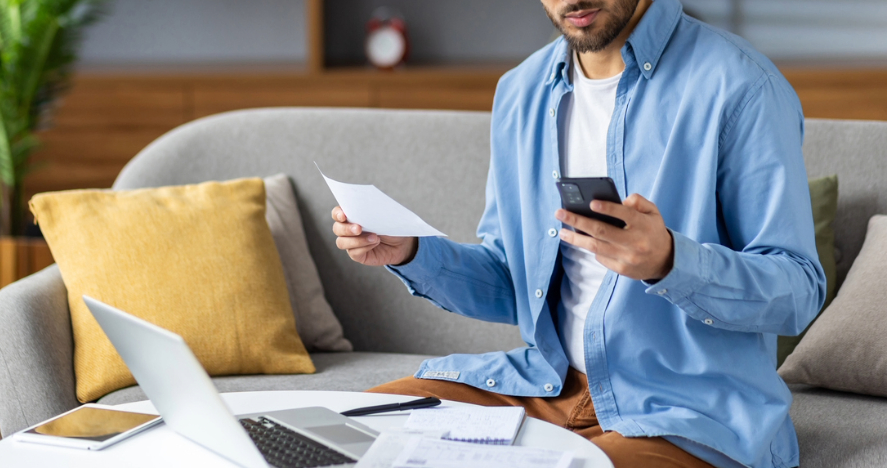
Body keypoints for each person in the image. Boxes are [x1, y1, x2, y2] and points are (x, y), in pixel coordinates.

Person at [330, 0, 826, 467]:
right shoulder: (521, 92)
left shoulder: (740, 84)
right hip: (544, 386)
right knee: (337, 436)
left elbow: (799, 291)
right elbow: (514, 284)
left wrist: (671, 261)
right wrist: (411, 252)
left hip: (682, 412)